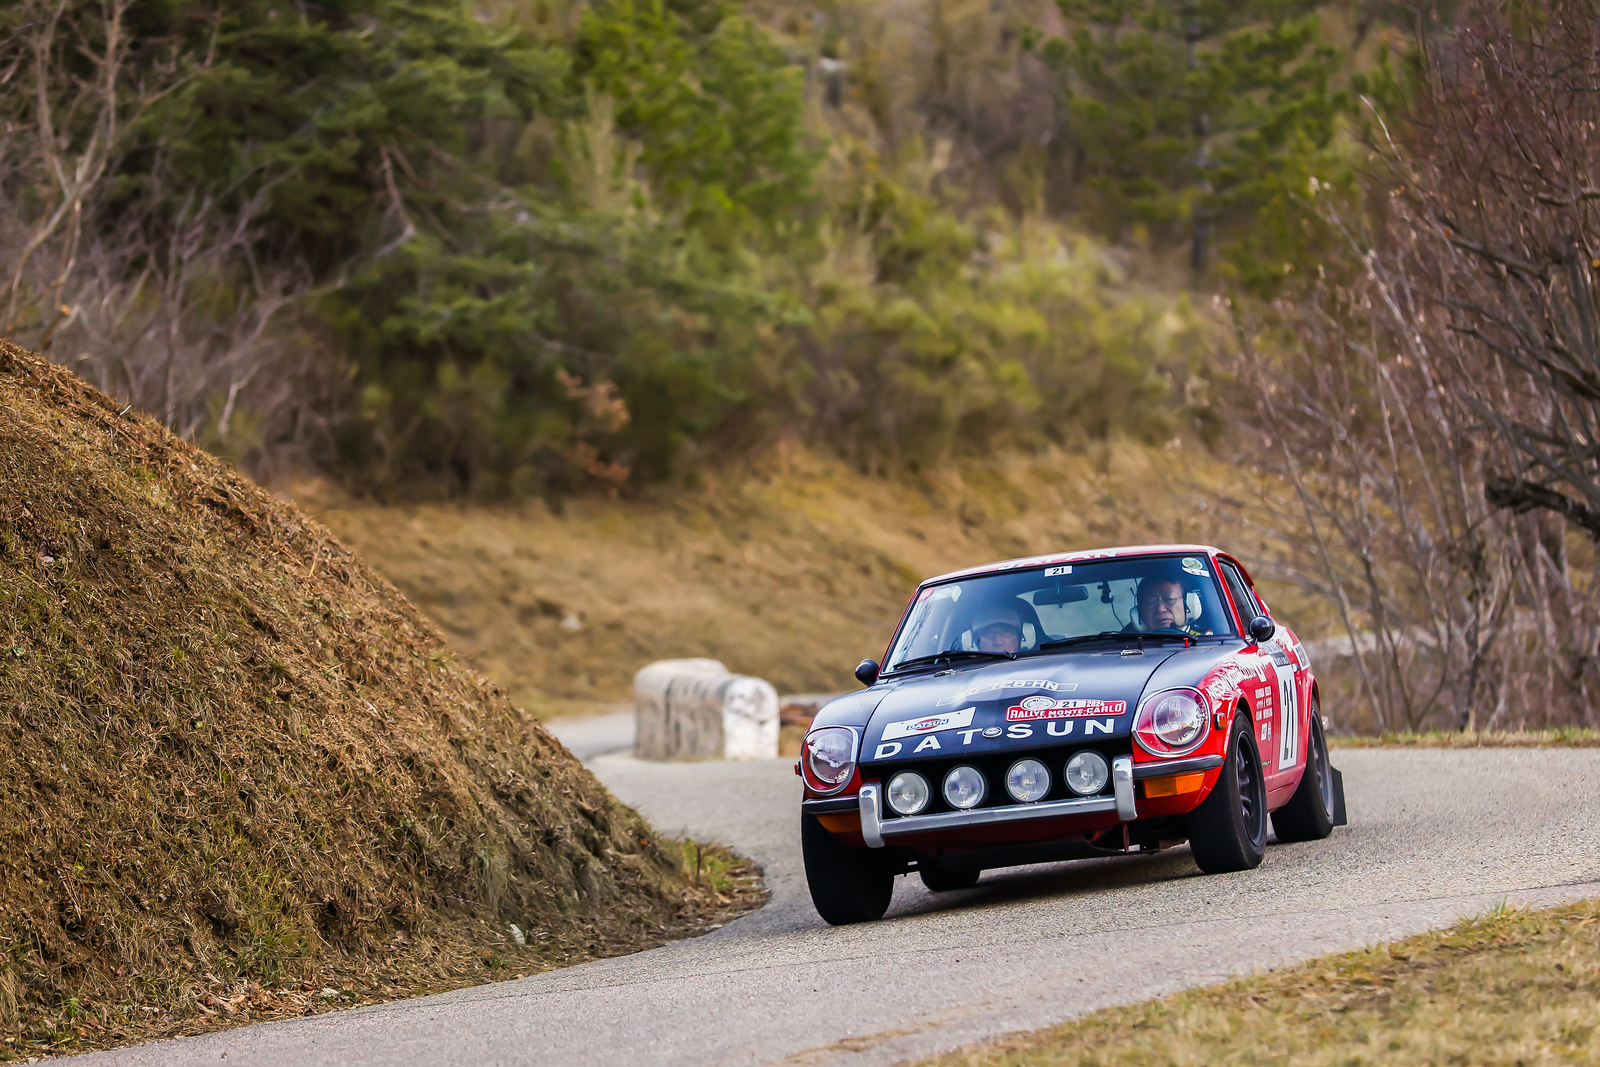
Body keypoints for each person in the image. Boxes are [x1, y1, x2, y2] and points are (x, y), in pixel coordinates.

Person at [1131, 575, 1197, 634]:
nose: (1160, 609)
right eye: (1151, 602)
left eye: (1169, 599)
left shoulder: (1205, 640)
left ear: (1187, 604)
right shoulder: (1127, 645)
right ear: (1139, 612)